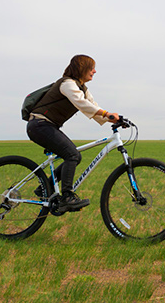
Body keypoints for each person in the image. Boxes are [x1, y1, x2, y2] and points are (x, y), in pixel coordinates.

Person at [26, 54, 119, 211]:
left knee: (76, 156)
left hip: (48, 126)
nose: (95, 71)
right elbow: (81, 103)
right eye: (92, 68)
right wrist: (105, 113)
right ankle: (67, 196)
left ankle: (44, 188)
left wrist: (114, 119)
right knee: (72, 155)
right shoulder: (67, 84)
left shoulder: (82, 88)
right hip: (39, 125)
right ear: (82, 68)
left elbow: (92, 106)